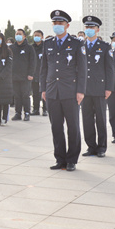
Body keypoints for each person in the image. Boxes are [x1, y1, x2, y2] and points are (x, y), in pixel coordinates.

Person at [40, 10, 86, 172]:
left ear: (67, 25)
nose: (57, 26)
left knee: (73, 127)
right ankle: (60, 159)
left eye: (60, 23)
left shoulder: (76, 43)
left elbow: (82, 69)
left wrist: (80, 91)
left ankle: (72, 159)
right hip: (52, 91)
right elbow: (44, 68)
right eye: (55, 23)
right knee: (56, 127)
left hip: (70, 91)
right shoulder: (48, 43)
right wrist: (43, 89)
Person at [81, 16, 114, 158]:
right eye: (87, 27)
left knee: (100, 119)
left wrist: (108, 88)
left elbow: (110, 69)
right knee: (87, 119)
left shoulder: (105, 47)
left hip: (100, 88)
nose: (89, 29)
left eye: (92, 27)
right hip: (84, 89)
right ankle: (91, 146)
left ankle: (101, 147)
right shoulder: (80, 46)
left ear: (97, 29)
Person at [10, 28, 36, 122]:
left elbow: (33, 62)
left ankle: (27, 113)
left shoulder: (29, 48)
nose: (18, 35)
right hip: (14, 76)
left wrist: (30, 74)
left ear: (24, 36)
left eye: (20, 34)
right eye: (17, 34)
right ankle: (18, 113)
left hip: (25, 76)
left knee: (25, 95)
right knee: (17, 96)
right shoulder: (11, 48)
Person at [31, 30, 47, 116]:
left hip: (44, 73)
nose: (36, 37)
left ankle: (45, 109)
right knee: (35, 93)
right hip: (34, 73)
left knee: (44, 92)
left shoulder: (45, 46)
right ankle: (36, 109)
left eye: (38, 35)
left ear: (42, 37)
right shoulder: (31, 47)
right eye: (35, 35)